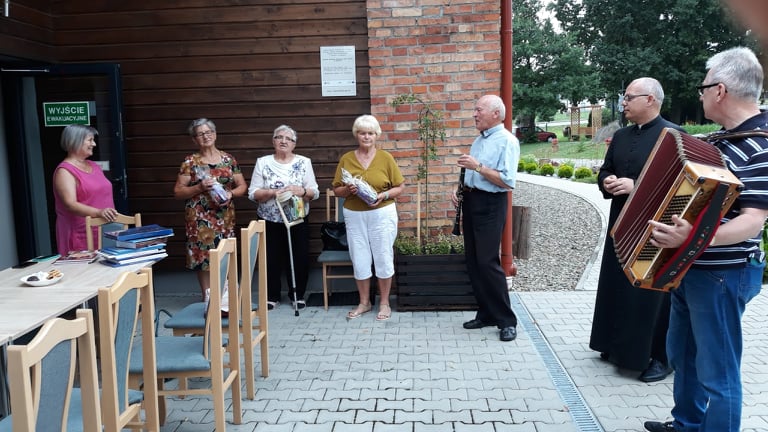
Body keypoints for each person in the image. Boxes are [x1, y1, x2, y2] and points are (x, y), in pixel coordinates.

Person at [644, 47, 768, 432]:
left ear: (720, 90)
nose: (699, 96)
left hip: (724, 274)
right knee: (684, 356)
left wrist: (694, 239)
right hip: (692, 268)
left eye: (703, 88)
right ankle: (686, 424)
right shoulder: (723, 141)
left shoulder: (762, 143)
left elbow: (753, 222)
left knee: (718, 372)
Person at [589, 77, 682, 382]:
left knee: (649, 293)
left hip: (655, 227)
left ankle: (659, 357)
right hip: (621, 221)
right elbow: (607, 168)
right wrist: (606, 181)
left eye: (629, 97)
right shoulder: (621, 136)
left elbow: (680, 185)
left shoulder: (674, 136)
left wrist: (637, 186)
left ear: (650, 99)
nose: (623, 103)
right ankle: (616, 346)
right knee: (617, 284)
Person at [452, 94, 519, 342]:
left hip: (491, 204)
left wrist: (477, 167)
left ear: (495, 114)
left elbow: (507, 181)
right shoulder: (479, 140)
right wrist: (459, 189)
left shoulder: (507, 141)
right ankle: (486, 313)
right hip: (472, 201)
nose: (474, 114)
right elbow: (472, 173)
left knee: (488, 262)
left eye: (479, 110)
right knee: (474, 261)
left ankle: (507, 321)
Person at [332, 114, 405, 321]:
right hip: (355, 215)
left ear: (376, 135)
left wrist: (383, 195)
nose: (366, 137)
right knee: (360, 257)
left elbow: (400, 187)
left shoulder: (386, 158)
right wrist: (348, 189)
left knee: (383, 256)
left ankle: (384, 303)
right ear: (356, 135)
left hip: (382, 213)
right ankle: (364, 302)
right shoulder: (347, 158)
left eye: (370, 133)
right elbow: (337, 190)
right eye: (362, 133)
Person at [173, 118, 247, 300]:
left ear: (215, 134)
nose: (205, 136)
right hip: (199, 218)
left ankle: (227, 297)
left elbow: (242, 186)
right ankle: (208, 298)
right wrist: (199, 187)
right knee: (203, 257)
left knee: (226, 253)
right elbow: (178, 191)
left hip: (224, 217)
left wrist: (230, 194)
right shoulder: (190, 162)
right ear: (194, 139)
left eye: (208, 132)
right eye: (200, 134)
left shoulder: (228, 159)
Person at [248, 125, 319, 310]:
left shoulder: (304, 162)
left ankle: (297, 294)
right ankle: (272, 296)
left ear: (294, 144)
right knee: (270, 257)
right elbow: (253, 193)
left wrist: (301, 191)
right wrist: (271, 192)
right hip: (269, 218)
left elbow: (314, 192)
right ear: (273, 141)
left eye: (288, 139)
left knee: (298, 256)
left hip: (296, 218)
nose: (283, 141)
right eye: (279, 137)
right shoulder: (263, 162)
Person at [52, 124, 119, 255]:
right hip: (81, 234)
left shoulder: (94, 166)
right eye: (90, 140)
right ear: (75, 141)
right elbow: (70, 204)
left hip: (104, 231)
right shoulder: (64, 171)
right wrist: (99, 212)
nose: (94, 144)